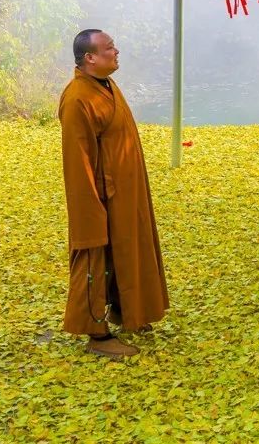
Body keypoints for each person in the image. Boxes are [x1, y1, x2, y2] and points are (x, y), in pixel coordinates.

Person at [58, 30, 169, 359]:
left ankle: (126, 310)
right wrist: (90, 209)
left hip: (125, 193)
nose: (116, 51)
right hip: (102, 196)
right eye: (109, 48)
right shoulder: (78, 97)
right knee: (97, 256)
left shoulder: (104, 85)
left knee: (127, 251)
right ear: (89, 58)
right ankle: (97, 334)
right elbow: (77, 161)